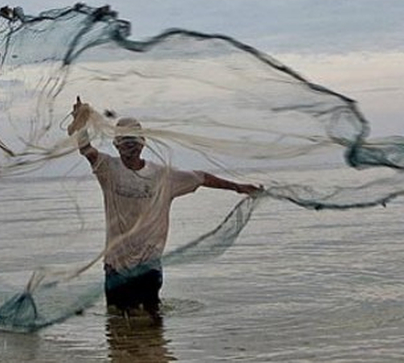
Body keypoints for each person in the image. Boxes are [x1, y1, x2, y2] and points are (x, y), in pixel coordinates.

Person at [67, 98, 261, 318]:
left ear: (142, 144)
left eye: (133, 143)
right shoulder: (108, 169)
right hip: (116, 266)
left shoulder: (163, 176)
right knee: (118, 322)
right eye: (124, 143)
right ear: (116, 146)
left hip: (149, 264)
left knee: (152, 319)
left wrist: (238, 187)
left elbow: (202, 178)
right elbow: (86, 150)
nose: (129, 148)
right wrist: (80, 123)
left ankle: (154, 351)